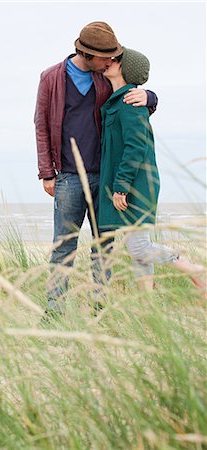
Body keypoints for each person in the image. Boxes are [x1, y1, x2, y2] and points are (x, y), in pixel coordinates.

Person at [34, 22, 158, 315]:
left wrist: (151, 96)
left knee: (104, 247)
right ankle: (55, 313)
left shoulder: (105, 77)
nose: (111, 62)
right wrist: (46, 172)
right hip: (67, 177)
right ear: (86, 54)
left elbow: (131, 100)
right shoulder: (51, 77)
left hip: (106, 176)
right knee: (63, 248)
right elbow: (41, 126)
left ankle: (99, 310)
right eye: (106, 58)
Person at [99, 47, 206, 296]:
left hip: (136, 184)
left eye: (115, 60)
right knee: (137, 248)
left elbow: (135, 146)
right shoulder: (120, 99)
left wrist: (121, 185)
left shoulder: (129, 103)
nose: (109, 63)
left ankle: (191, 267)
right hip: (131, 182)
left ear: (126, 69)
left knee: (138, 247)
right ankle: (146, 305)